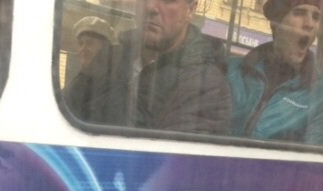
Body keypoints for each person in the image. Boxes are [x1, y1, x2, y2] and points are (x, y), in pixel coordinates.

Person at [90, 0, 232, 135]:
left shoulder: (205, 84)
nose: (150, 7)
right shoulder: (110, 58)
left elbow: (171, 150)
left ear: (190, 10)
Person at [227, 0, 323, 145]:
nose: (310, 24)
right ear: (276, 24)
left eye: (316, 17)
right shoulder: (232, 70)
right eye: (299, 13)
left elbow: (313, 154)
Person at [63, 17, 117, 121]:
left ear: (105, 49)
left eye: (90, 43)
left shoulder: (115, 84)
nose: (83, 49)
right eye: (81, 44)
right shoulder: (78, 83)